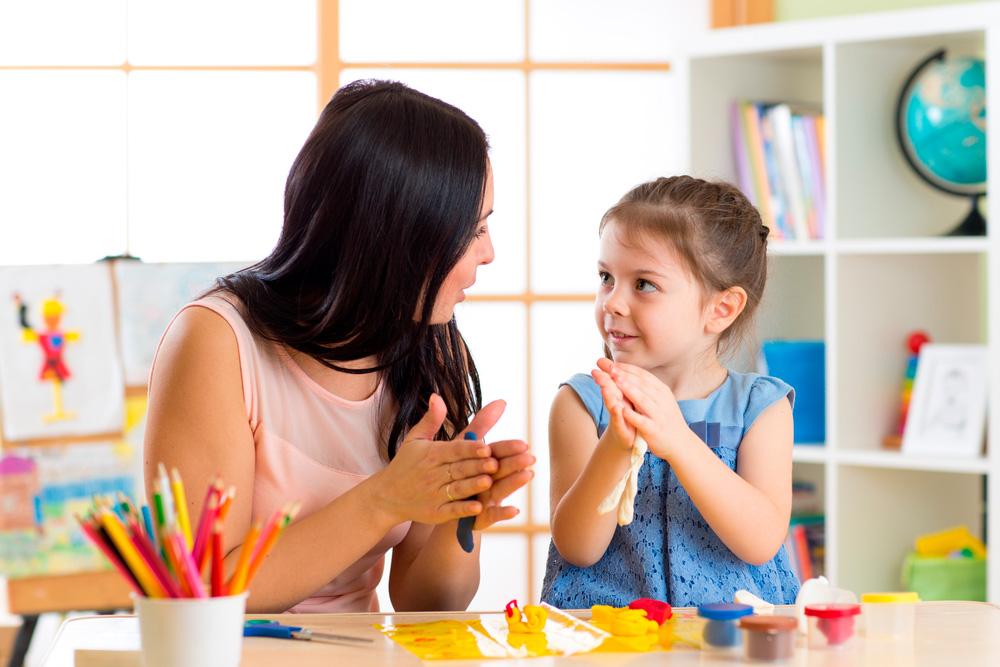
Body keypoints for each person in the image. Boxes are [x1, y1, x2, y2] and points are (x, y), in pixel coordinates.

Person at [144, 79, 535, 613]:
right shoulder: (216, 341)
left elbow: (425, 602)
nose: (489, 253)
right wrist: (384, 500)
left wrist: (457, 515)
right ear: (400, 235)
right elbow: (200, 597)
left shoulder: (427, 348)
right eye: (472, 230)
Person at [542, 175, 799, 608]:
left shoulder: (761, 409)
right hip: (609, 639)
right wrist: (617, 444)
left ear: (721, 309)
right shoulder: (582, 404)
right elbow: (577, 547)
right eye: (606, 277)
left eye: (644, 284)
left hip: (732, 639)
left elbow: (760, 541)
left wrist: (677, 439)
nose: (612, 303)